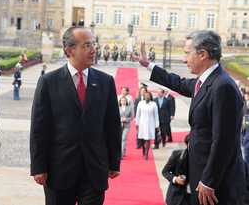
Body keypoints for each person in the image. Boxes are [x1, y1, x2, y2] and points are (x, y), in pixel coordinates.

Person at [133, 30, 245, 204]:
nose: (184, 60)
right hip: (202, 177)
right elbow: (177, 82)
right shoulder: (206, 81)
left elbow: (223, 141)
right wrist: (149, 65)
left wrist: (209, 181)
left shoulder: (222, 86)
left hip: (216, 185)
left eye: (187, 54)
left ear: (203, 54)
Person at [30, 26, 121, 204]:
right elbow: (38, 128)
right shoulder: (48, 82)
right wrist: (38, 166)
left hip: (94, 169)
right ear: (69, 51)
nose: (94, 50)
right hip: (58, 169)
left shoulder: (105, 81)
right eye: (87, 45)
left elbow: (113, 126)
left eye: (93, 44)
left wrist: (114, 162)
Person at [162, 134, 191, 205]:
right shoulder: (177, 155)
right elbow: (165, 171)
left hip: (193, 196)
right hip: (176, 195)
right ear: (186, 145)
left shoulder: (201, 159)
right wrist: (175, 179)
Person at [135, 92, 159, 160]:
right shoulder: (141, 103)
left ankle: (147, 154)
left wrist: (157, 125)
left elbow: (156, 115)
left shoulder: (153, 104)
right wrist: (137, 124)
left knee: (148, 139)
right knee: (141, 139)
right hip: (142, 123)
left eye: (148, 96)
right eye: (145, 96)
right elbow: (137, 114)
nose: (147, 97)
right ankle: (143, 149)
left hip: (150, 123)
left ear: (150, 97)